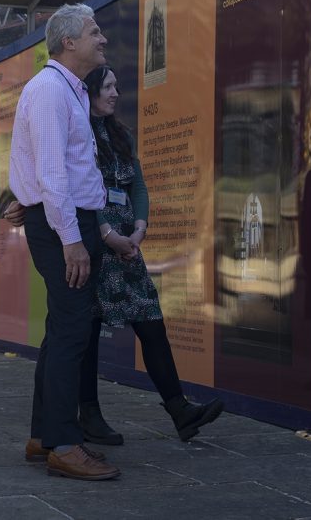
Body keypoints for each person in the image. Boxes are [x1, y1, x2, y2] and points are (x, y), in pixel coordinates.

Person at [8, 3, 121, 481]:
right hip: (65, 226)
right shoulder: (52, 90)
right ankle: (64, 444)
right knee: (73, 334)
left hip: (70, 222)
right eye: (95, 32)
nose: (104, 39)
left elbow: (52, 169)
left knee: (62, 333)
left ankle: (43, 436)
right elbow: (53, 175)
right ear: (68, 42)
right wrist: (72, 239)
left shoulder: (65, 90)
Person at [82, 64, 223, 442]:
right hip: (96, 241)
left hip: (128, 243)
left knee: (151, 320)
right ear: (91, 90)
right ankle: (88, 415)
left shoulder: (121, 134)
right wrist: (107, 233)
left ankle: (180, 410)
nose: (115, 93)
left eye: (116, 86)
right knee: (89, 329)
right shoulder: (78, 132)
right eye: (108, 86)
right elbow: (79, 187)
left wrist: (139, 229)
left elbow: (138, 188)